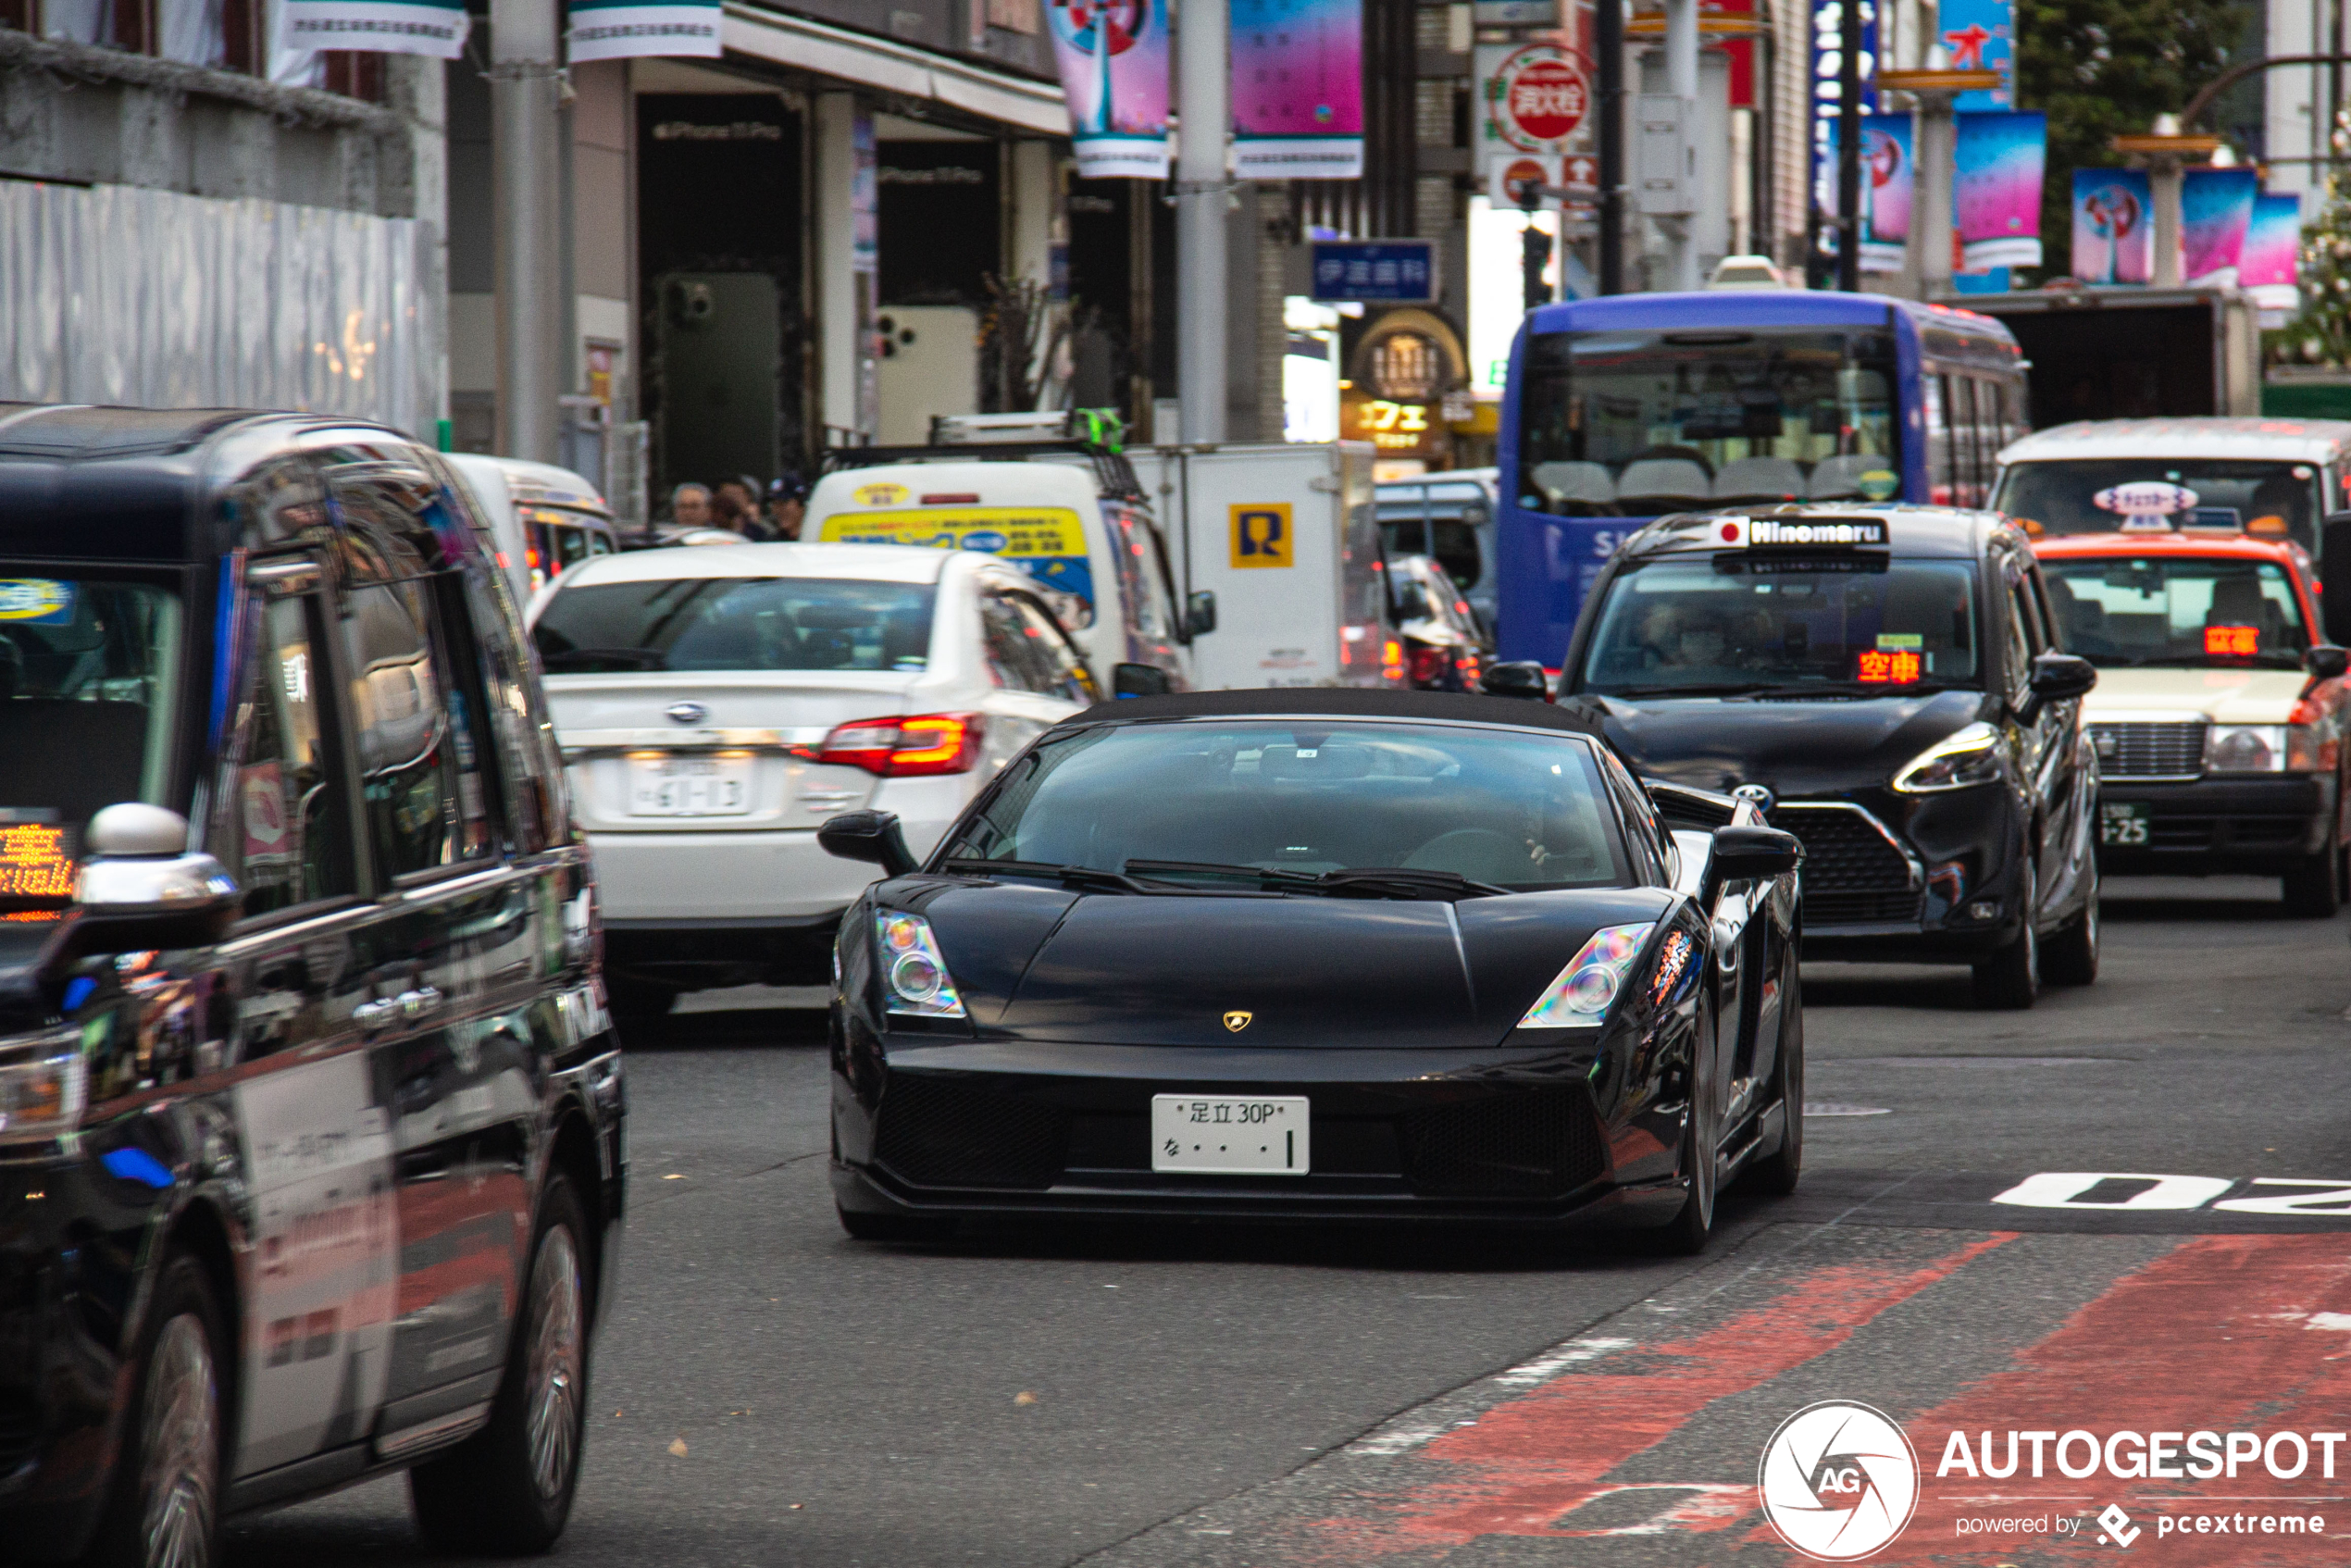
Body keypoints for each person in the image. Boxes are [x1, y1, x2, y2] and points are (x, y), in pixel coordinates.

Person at [767, 473, 810, 541]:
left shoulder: (817, 538)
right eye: (775, 504)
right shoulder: (771, 543)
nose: (778, 510)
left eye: (784, 503)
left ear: (802, 504)